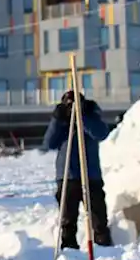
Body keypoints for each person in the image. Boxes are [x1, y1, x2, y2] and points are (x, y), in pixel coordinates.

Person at [43, 90, 114, 248]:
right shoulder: (61, 121)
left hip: (90, 174)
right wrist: (58, 119)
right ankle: (69, 251)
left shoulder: (91, 116)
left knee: (98, 216)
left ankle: (104, 249)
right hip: (67, 175)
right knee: (68, 219)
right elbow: (49, 143)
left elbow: (101, 133)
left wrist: (82, 118)